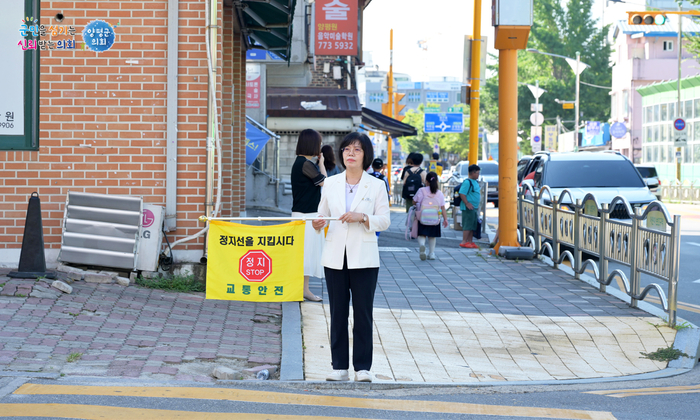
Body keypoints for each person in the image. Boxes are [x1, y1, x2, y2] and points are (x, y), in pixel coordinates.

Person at [312, 132, 390, 383]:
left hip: (364, 258)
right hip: (335, 256)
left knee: (363, 313)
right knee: (337, 312)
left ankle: (363, 368)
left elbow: (385, 221)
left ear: (365, 155)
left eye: (357, 150)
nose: (351, 154)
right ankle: (339, 367)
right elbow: (321, 215)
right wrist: (317, 223)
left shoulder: (376, 185)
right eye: (346, 150)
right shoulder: (331, 183)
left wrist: (364, 218)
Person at [291, 129, 327, 302]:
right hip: (306, 216)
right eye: (318, 143)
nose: (320, 146)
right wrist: (322, 162)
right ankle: (301, 290)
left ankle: (304, 290)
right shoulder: (305, 164)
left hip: (306, 214)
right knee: (305, 255)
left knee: (307, 255)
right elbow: (325, 183)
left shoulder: (303, 163)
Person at [413, 171, 448, 260]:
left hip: (422, 217)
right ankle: (431, 253)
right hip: (435, 218)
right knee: (432, 236)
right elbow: (443, 207)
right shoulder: (439, 193)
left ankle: (422, 247)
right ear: (436, 181)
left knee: (422, 235)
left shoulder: (421, 190)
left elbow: (414, 201)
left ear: (426, 181)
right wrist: (445, 219)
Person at [458, 164, 481, 249]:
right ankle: (464, 241)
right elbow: (462, 193)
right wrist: (467, 203)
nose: (478, 175)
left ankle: (470, 242)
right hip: (468, 207)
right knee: (467, 225)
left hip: (474, 207)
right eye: (477, 173)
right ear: (472, 173)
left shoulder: (475, 182)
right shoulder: (467, 182)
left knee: (472, 225)